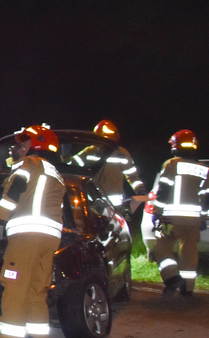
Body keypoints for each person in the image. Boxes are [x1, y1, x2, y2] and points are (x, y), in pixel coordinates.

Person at [0, 125, 66, 338]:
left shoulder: (28, 165)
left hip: (26, 238)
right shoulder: (56, 174)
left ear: (36, 145)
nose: (17, 148)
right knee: (36, 293)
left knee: (14, 292)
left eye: (23, 143)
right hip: (48, 240)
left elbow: (13, 193)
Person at [150, 130, 208, 297]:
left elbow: (164, 189)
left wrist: (157, 212)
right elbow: (206, 197)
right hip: (193, 221)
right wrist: (203, 217)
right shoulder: (204, 169)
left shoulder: (171, 164)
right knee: (189, 251)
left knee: (162, 248)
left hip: (170, 218)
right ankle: (188, 288)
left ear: (175, 146)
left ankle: (172, 278)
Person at [88, 120, 149, 211]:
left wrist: (141, 190)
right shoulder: (90, 151)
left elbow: (132, 176)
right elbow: (72, 166)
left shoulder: (122, 153)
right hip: (94, 201)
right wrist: (65, 156)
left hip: (114, 205)